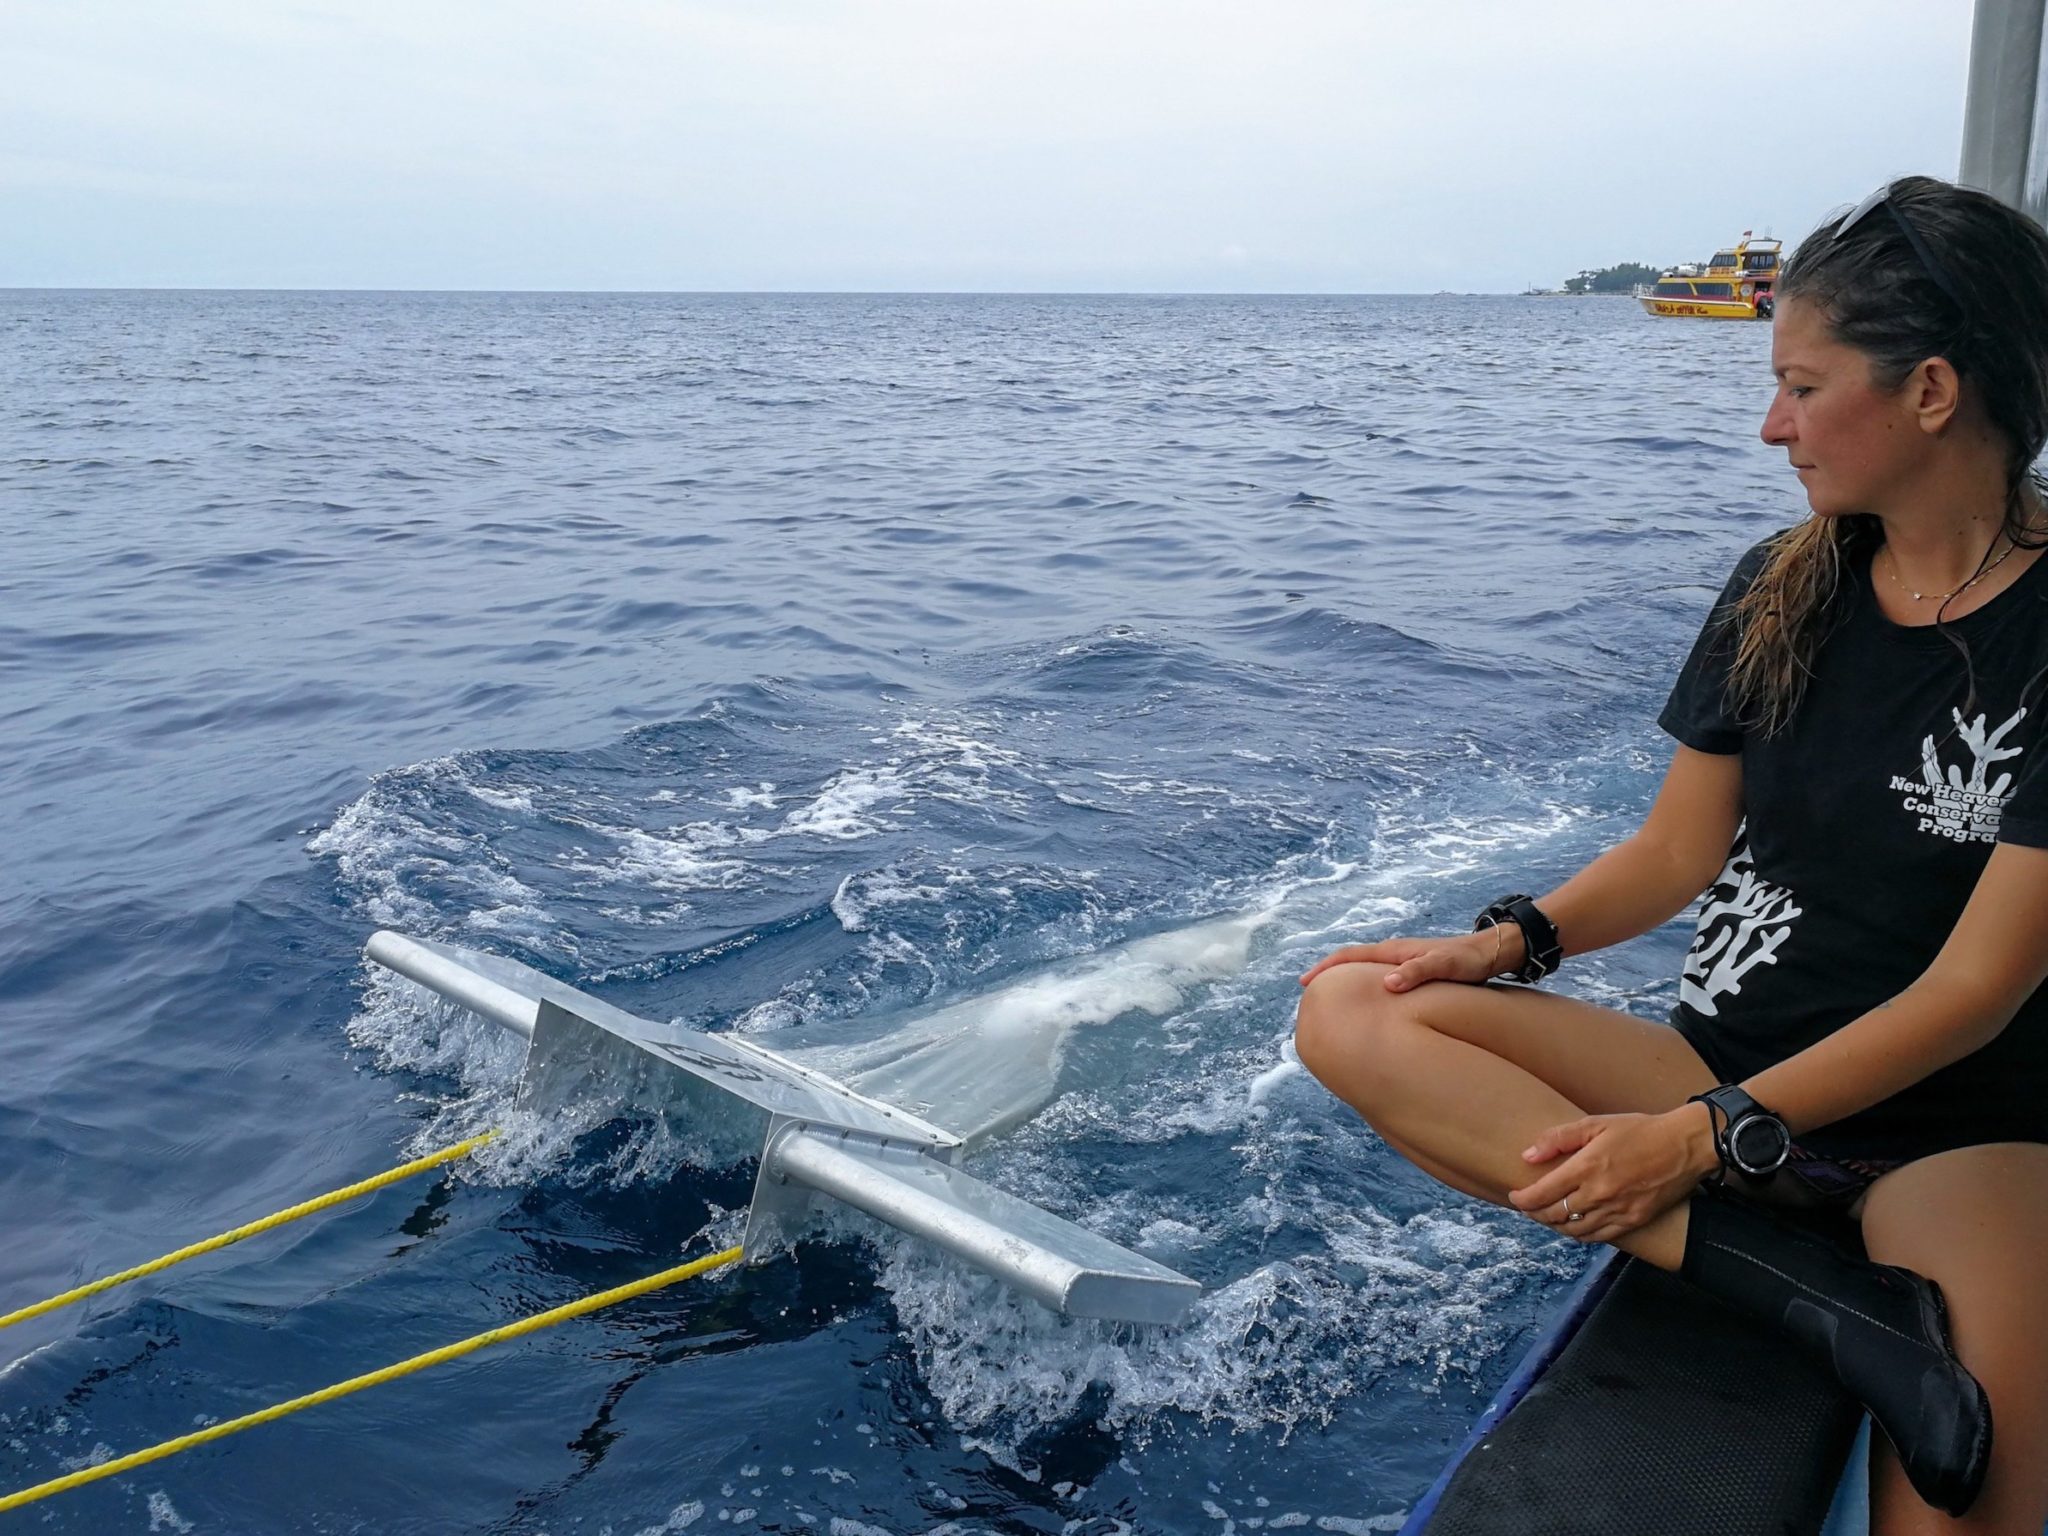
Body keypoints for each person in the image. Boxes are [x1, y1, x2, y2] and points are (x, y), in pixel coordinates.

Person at [1294, 174, 2048, 1532]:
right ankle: (1816, 1299)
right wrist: (1513, 942)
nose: (1772, 428)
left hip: (1958, 1129)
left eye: (1802, 388)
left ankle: (1759, 1250)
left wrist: (1699, 1143)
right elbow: (1675, 849)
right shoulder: (1784, 583)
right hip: (1723, 1060)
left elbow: (1976, 991)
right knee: (1351, 1005)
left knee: (1965, 1480)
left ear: (1930, 392)